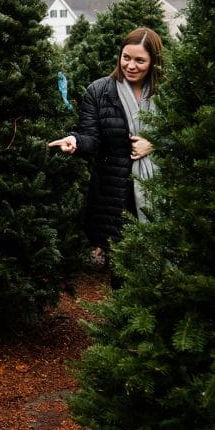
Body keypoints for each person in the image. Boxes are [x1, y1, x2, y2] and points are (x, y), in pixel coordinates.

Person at [48, 26, 163, 264]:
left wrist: (154, 145)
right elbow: (91, 136)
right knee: (123, 268)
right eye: (126, 57)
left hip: (159, 191)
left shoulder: (167, 93)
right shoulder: (99, 91)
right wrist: (75, 141)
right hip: (115, 194)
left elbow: (185, 135)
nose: (131, 66)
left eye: (140, 60)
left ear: (153, 62)